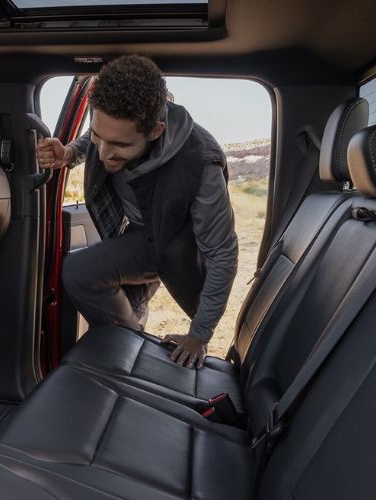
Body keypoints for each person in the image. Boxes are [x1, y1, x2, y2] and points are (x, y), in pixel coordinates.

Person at [38, 55, 238, 369]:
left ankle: (131, 355)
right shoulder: (112, 130)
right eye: (100, 137)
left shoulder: (201, 165)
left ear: (156, 131)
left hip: (174, 241)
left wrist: (199, 335)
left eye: (118, 145)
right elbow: (95, 138)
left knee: (80, 271)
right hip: (137, 229)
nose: (104, 154)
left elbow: (222, 253)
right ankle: (125, 356)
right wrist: (69, 153)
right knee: (122, 308)